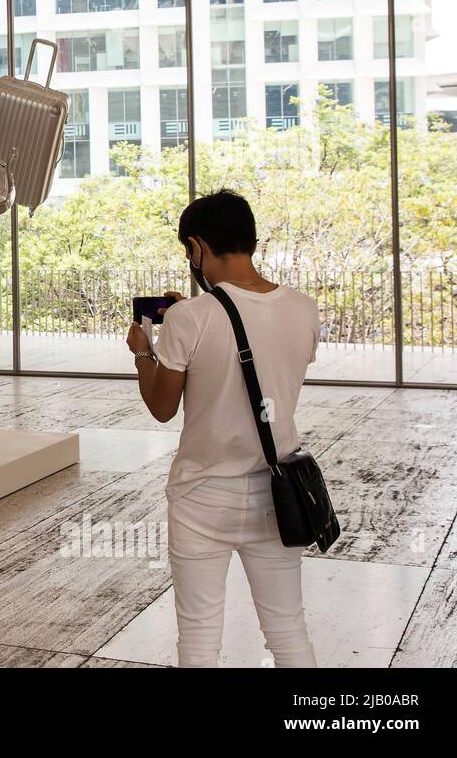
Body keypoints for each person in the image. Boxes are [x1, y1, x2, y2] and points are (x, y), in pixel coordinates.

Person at [125, 189, 321, 668]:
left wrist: (144, 351)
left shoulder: (191, 317)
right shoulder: (304, 308)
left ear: (196, 247)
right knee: (288, 629)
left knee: (199, 634)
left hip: (202, 495)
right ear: (250, 241)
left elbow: (162, 406)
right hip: (278, 494)